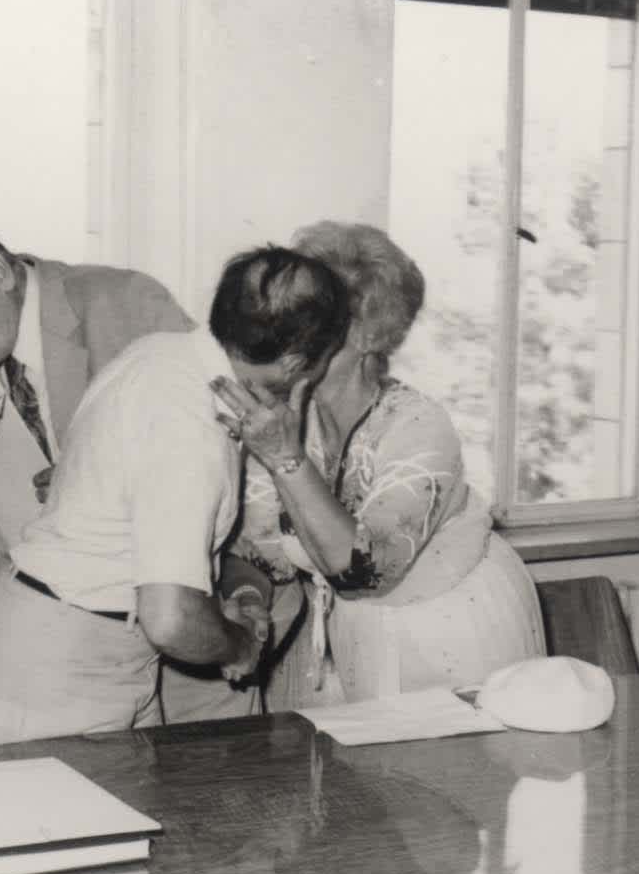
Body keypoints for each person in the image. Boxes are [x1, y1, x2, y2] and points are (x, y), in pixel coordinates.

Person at [0, 245, 351, 745]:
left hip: (71, 653)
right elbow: (169, 619)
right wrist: (237, 648)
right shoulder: (189, 422)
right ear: (297, 362)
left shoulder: (163, 354)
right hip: (63, 672)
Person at [213, 220, 546, 704]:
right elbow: (252, 551)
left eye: (319, 319)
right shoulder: (281, 416)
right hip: (345, 641)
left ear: (371, 335)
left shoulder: (417, 426)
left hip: (450, 631)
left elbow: (363, 571)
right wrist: (247, 599)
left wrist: (286, 460)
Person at [0, 220, 192, 559]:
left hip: (149, 563)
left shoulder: (128, 302)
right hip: (34, 574)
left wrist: (100, 480)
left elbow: (206, 432)